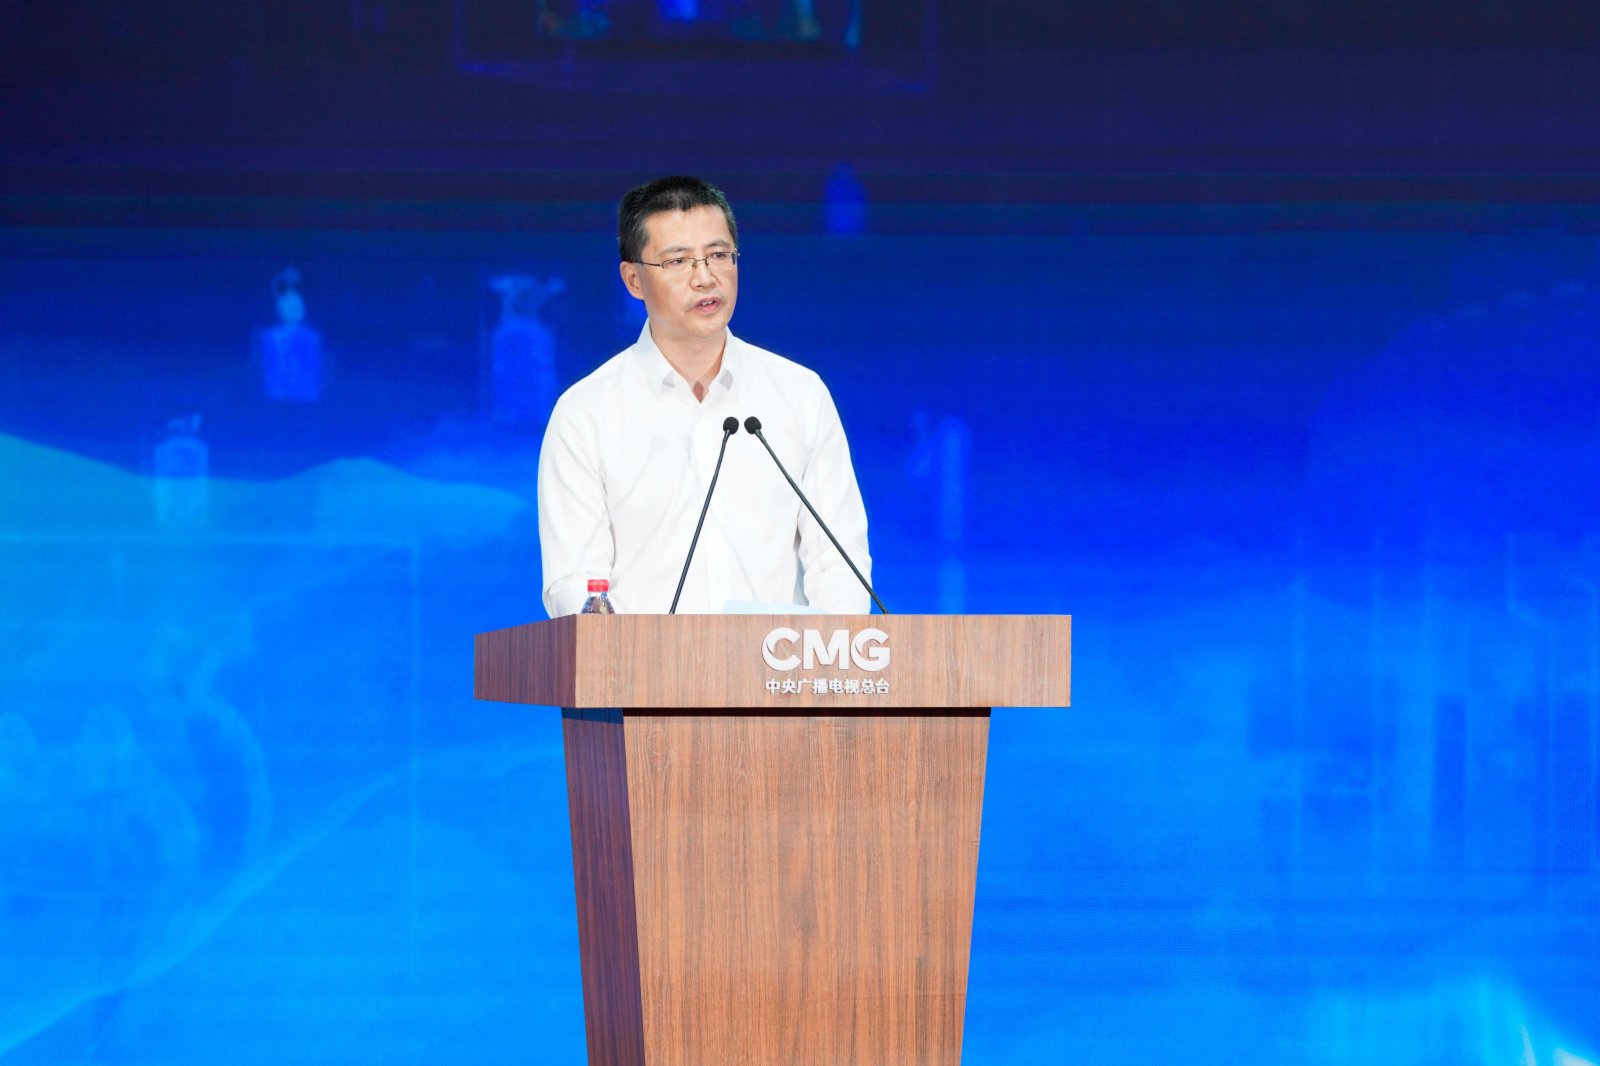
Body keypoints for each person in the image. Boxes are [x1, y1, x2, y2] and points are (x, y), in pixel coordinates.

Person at [537, 175, 872, 616]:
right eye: (678, 261)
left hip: (778, 660)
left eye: (719, 255)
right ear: (634, 279)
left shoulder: (799, 395)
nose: (705, 277)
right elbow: (574, 581)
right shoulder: (586, 413)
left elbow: (840, 567)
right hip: (640, 661)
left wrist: (836, 646)